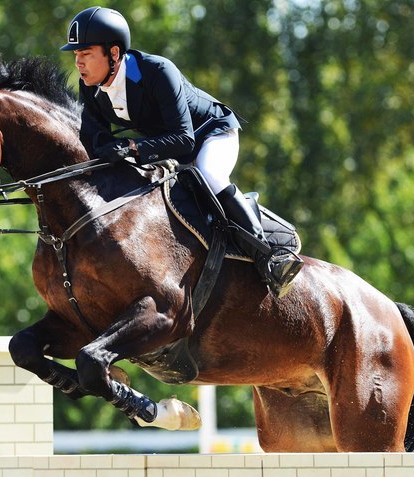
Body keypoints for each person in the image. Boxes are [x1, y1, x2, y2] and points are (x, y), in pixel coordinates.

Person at [61, 6, 303, 297]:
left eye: (86, 54)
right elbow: (93, 139)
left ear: (113, 53)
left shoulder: (157, 71)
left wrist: (131, 147)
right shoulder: (91, 87)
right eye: (76, 55)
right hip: (169, 148)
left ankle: (271, 257)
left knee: (210, 174)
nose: (78, 62)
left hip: (211, 134)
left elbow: (184, 139)